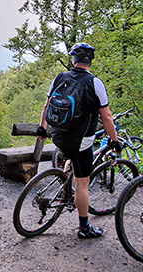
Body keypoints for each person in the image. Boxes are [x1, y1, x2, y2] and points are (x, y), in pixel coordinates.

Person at [37, 43, 119, 239]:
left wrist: (42, 128)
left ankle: (66, 185)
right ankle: (84, 227)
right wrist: (114, 140)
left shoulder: (60, 77)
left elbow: (47, 104)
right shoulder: (95, 83)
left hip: (58, 135)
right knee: (83, 184)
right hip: (81, 140)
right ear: (90, 61)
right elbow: (106, 116)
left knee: (70, 157)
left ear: (73, 60)